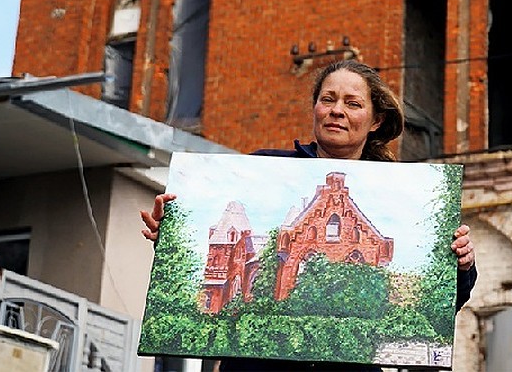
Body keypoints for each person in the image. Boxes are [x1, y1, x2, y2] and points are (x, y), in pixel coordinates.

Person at [141, 58, 477, 372]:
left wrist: (461, 266)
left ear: (376, 121)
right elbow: (210, 259)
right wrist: (171, 231)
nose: (336, 111)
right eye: (328, 99)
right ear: (315, 108)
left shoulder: (401, 194)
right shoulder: (262, 169)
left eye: (353, 103)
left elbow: (439, 303)